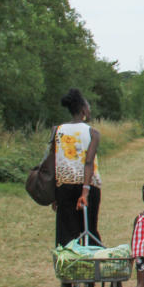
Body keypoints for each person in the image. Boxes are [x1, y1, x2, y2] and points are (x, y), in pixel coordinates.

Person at [52, 88, 101, 247]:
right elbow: (88, 163)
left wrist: (54, 194)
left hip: (64, 187)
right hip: (88, 186)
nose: (89, 109)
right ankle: (91, 266)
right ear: (83, 110)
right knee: (89, 230)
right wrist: (85, 192)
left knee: (66, 235)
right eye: (88, 106)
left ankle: (68, 267)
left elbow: (54, 162)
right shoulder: (92, 132)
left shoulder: (57, 130)